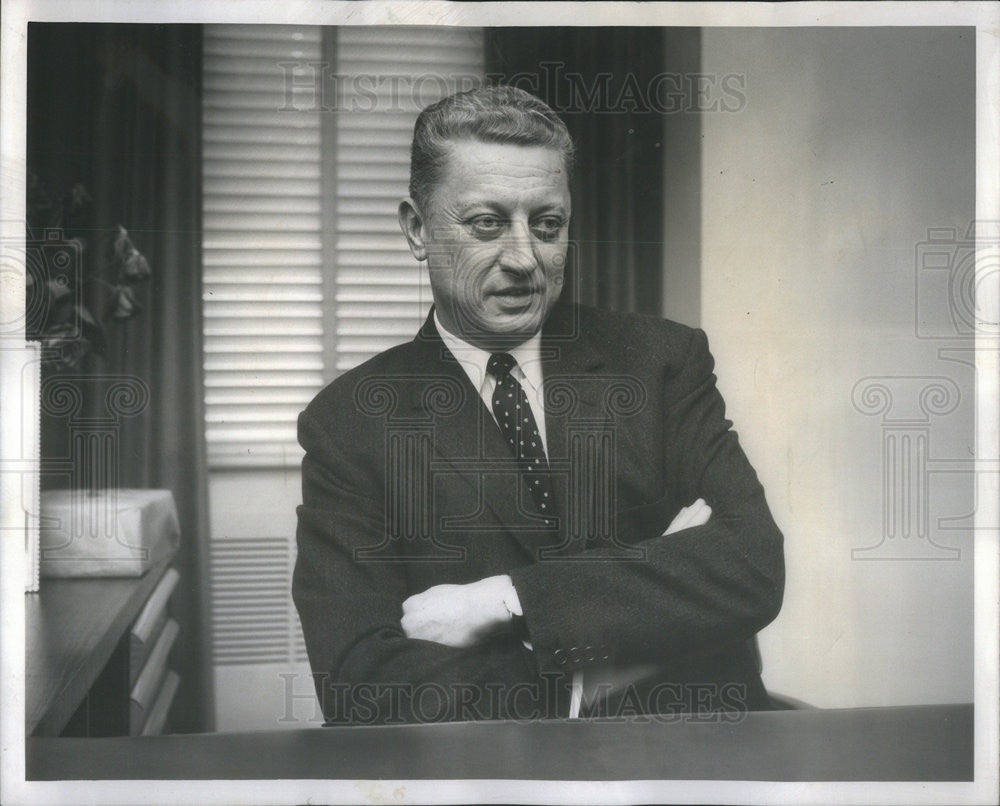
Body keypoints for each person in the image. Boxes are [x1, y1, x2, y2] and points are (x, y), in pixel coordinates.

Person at [292, 85, 784, 724]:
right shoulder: (350, 422)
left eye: (547, 225)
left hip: (697, 755)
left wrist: (506, 601)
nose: (525, 258)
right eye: (486, 224)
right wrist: (600, 668)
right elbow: (361, 683)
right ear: (416, 229)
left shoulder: (662, 361)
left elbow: (750, 565)